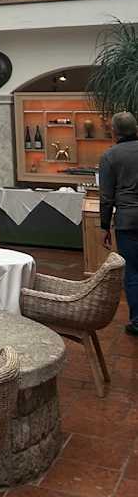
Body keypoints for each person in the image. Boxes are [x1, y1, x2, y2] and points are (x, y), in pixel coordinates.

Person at [99, 111, 138, 336]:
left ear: (114, 132)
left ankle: (137, 321)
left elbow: (106, 196)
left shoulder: (110, 156)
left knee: (133, 271)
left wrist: (105, 226)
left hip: (128, 220)